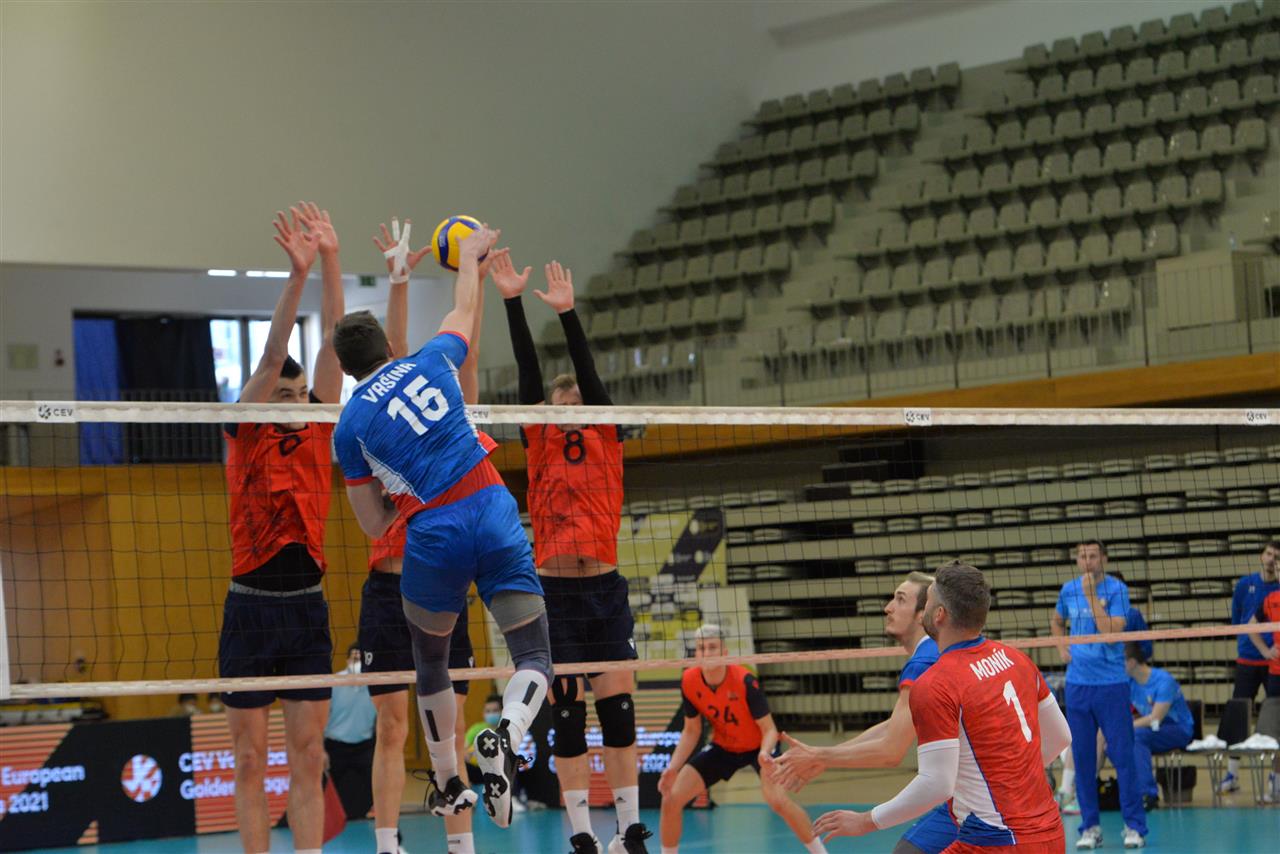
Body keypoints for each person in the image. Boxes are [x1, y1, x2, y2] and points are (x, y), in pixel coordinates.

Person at [332, 224, 552, 835]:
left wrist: (400, 497)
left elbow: (373, 522)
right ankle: (507, 733)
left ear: (346, 369)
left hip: (432, 531)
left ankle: (450, 780)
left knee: (431, 659)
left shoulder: (349, 426)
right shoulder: (430, 359)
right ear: (388, 346)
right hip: (491, 503)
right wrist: (472, 257)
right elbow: (464, 311)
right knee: (534, 654)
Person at [496, 253, 648, 854]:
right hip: (554, 592)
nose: (565, 409)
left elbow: (588, 375)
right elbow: (529, 379)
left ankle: (629, 830)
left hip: (604, 589)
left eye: (574, 403)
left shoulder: (606, 435)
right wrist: (513, 302)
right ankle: (582, 834)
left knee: (620, 714)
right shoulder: (538, 439)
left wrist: (568, 314)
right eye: (557, 405)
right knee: (566, 718)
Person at [357, 217, 500, 854]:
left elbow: (466, 350)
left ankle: (460, 847)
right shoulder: (371, 421)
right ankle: (387, 844)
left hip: (441, 583)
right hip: (388, 590)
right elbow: (385, 360)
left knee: (450, 723)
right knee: (392, 726)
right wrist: (398, 282)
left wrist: (479, 280)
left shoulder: (450, 409)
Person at [219, 202, 344, 854]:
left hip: (306, 609)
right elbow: (273, 356)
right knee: (248, 759)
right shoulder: (246, 432)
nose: (296, 402)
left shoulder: (321, 427)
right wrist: (297, 278)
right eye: (284, 396)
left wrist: (331, 260)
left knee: (309, 753)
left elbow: (333, 346)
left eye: (301, 395)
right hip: (250, 608)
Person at [814, 562, 1071, 854]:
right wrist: (1012, 781)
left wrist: (866, 821)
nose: (923, 608)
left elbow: (936, 784)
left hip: (995, 842)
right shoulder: (1017, 659)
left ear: (939, 614)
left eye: (928, 601)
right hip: (1051, 833)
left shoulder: (935, 683)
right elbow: (1061, 736)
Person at [768, 573, 956, 854]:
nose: (888, 608)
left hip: (979, 798)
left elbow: (891, 750)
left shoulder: (924, 661)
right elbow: (895, 726)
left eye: (900, 600)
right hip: (969, 793)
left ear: (922, 614)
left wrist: (819, 757)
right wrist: (825, 758)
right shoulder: (933, 651)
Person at [657, 624, 825, 854]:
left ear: (725, 652)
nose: (707, 653)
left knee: (777, 801)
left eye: (713, 647)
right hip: (724, 747)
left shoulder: (744, 680)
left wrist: (765, 753)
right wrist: (672, 768)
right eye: (702, 648)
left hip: (759, 747)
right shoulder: (689, 680)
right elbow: (691, 731)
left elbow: (769, 729)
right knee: (671, 798)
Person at [1048, 540, 1147, 849]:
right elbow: (1057, 621)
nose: (1087, 561)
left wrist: (1091, 596)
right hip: (1078, 685)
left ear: (1104, 558)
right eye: (1082, 556)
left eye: (1093, 556)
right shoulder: (1068, 590)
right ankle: (1090, 827)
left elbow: (1111, 633)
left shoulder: (1117, 590)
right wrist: (1061, 646)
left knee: (1123, 756)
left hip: (1111, 685)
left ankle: (1134, 827)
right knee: (1083, 758)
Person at [1222, 541, 1280, 793]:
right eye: (1268, 554)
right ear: (1261, 556)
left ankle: (1275, 778)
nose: (1271, 559)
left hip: (1274, 665)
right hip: (1247, 660)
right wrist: (1257, 647)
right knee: (1239, 716)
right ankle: (1232, 775)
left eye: (1276, 556)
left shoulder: (1278, 590)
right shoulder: (1245, 585)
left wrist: (1268, 651)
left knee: (1275, 721)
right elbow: (1239, 621)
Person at [1124, 643, 1193, 810]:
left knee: (1137, 736)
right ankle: (1126, 791)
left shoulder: (1164, 681)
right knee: (1115, 742)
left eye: (1119, 661)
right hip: (1153, 729)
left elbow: (1155, 718)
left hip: (1178, 729)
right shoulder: (1130, 682)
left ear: (1131, 662)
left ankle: (1148, 794)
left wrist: (1126, 727)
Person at [325, 645, 378, 821]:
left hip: (364, 746)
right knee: (328, 791)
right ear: (347, 660)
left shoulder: (375, 683)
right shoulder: (334, 683)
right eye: (354, 658)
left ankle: (367, 815)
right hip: (335, 746)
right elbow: (322, 715)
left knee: (375, 783)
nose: (357, 663)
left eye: (361, 659)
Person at [1245, 576, 1280, 802]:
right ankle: (1277, 786)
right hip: (1277, 674)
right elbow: (1250, 626)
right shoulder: (1271, 599)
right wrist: (1266, 651)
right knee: (1277, 734)